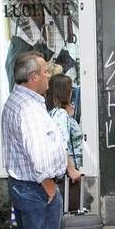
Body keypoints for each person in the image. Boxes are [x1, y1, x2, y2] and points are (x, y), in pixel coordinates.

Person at [2, 51, 71, 229]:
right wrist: (50, 187)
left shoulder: (19, 99)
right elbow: (38, 156)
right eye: (44, 72)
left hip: (24, 186)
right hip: (36, 187)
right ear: (32, 77)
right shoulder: (29, 108)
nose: (48, 76)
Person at [46, 73, 84, 210]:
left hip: (63, 173)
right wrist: (72, 169)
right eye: (70, 89)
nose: (72, 92)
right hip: (67, 176)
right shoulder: (60, 114)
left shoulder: (53, 112)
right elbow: (62, 144)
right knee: (71, 215)